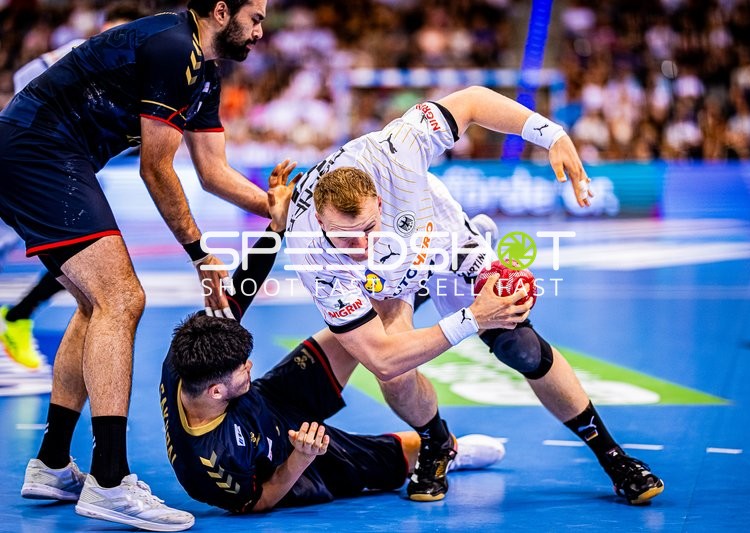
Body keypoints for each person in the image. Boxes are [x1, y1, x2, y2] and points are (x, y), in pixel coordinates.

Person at [284, 86, 664, 505]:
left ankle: (613, 457)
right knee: (392, 373)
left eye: (369, 229)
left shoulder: (398, 150)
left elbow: (473, 102)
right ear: (320, 220)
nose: (362, 245)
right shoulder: (313, 256)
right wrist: (472, 318)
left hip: (441, 240)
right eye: (346, 238)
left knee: (518, 346)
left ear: (379, 199)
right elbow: (381, 356)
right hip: (384, 286)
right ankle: (437, 442)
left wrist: (550, 133)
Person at [4, 1, 275, 530]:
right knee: (122, 299)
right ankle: (109, 480)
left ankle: (53, 463)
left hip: (44, 152)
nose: (262, 30)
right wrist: (199, 253)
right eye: (257, 17)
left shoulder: (206, 73)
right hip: (38, 149)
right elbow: (156, 167)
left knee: (96, 305)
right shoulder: (175, 47)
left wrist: (278, 205)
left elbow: (214, 172)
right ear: (222, 11)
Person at [162, 165, 506, 513]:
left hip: (269, 399)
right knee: (403, 454)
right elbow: (257, 500)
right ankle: (453, 452)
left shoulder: (189, 354)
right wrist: (300, 458)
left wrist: (276, 227)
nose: (249, 364)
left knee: (358, 330)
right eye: (241, 368)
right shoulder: (209, 467)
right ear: (216, 391)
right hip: (292, 455)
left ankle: (443, 261)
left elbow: (240, 290)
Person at [0, 2, 148, 371]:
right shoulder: (67, 58)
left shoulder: (140, 78)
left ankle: (19, 314)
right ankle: (18, 316)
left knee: (86, 256)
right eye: (110, 35)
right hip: (28, 166)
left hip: (66, 171)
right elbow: (24, 96)